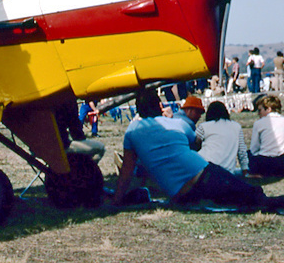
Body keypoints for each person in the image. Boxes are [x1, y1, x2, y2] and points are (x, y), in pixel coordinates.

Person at [113, 88, 282, 210]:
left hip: (181, 193)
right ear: (159, 106)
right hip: (204, 174)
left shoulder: (132, 131)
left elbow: (126, 171)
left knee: (243, 196)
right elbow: (195, 145)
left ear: (139, 109)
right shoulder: (178, 124)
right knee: (253, 195)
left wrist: (116, 201)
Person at [195, 101, 247, 175]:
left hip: (205, 169)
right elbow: (242, 152)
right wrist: (245, 170)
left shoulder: (203, 126)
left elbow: (194, 144)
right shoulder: (236, 127)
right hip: (227, 171)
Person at [249, 94, 284, 176]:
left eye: (260, 110)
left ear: (268, 109)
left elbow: (254, 149)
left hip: (265, 163)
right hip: (282, 162)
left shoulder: (259, 123)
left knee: (248, 154)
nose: (258, 113)